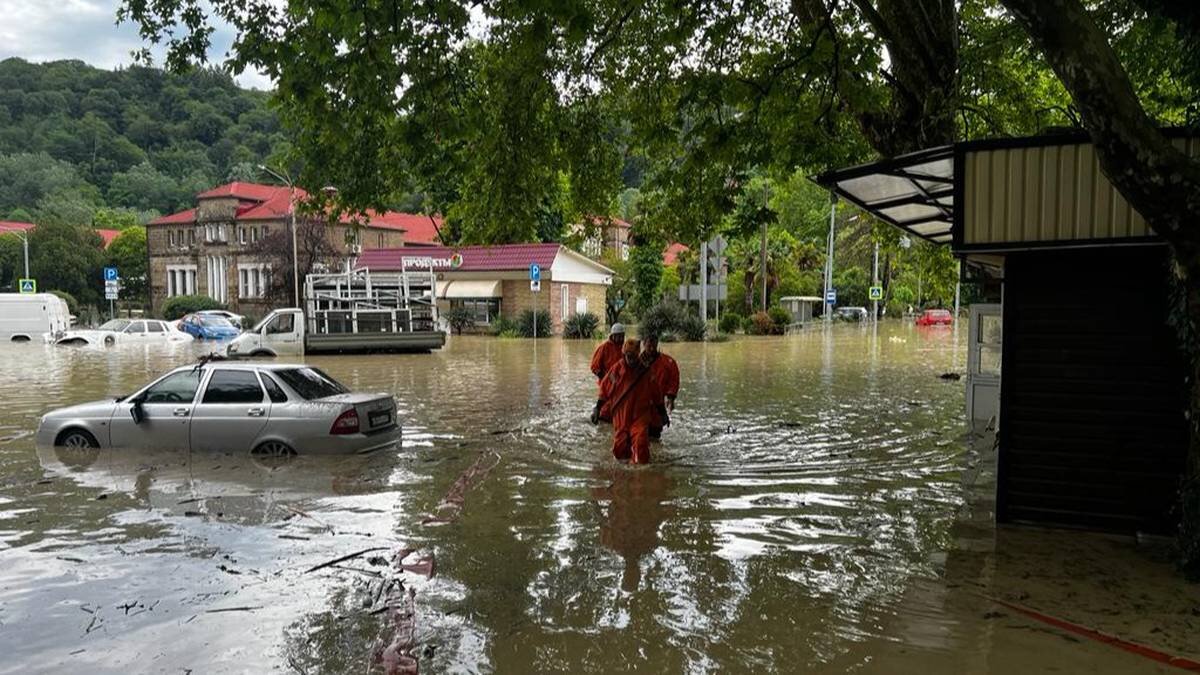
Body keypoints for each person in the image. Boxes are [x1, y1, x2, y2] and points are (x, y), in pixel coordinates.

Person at [600, 338, 662, 464]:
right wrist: (597, 408)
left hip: (640, 416)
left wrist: (663, 413)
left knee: (640, 443)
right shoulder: (616, 370)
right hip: (621, 417)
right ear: (624, 354)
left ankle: (641, 472)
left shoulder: (646, 371)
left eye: (633, 356)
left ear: (638, 354)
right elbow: (604, 389)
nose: (630, 359)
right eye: (628, 356)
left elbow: (656, 394)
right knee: (619, 449)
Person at [641, 334, 679, 440]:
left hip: (658, 407)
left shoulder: (668, 362)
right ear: (644, 344)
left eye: (654, 346)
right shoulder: (635, 362)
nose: (652, 349)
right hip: (640, 409)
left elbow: (674, 380)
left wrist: (671, 398)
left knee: (655, 437)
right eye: (649, 346)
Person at [589, 323, 625, 424]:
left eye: (622, 336)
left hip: (620, 384)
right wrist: (606, 379)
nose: (620, 338)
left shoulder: (624, 348)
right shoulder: (604, 348)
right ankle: (599, 418)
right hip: (606, 384)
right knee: (605, 409)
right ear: (612, 336)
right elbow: (594, 367)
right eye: (618, 336)